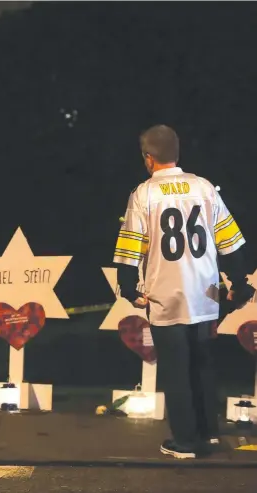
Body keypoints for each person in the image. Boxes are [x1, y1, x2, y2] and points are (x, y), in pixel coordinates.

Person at [113, 124, 255, 459]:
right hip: (206, 295)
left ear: (149, 159)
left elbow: (130, 249)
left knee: (176, 367)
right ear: (176, 152)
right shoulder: (204, 188)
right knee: (203, 363)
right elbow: (231, 242)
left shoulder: (144, 194)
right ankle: (208, 432)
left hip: (166, 297)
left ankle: (186, 442)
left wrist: (127, 288)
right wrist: (239, 282)